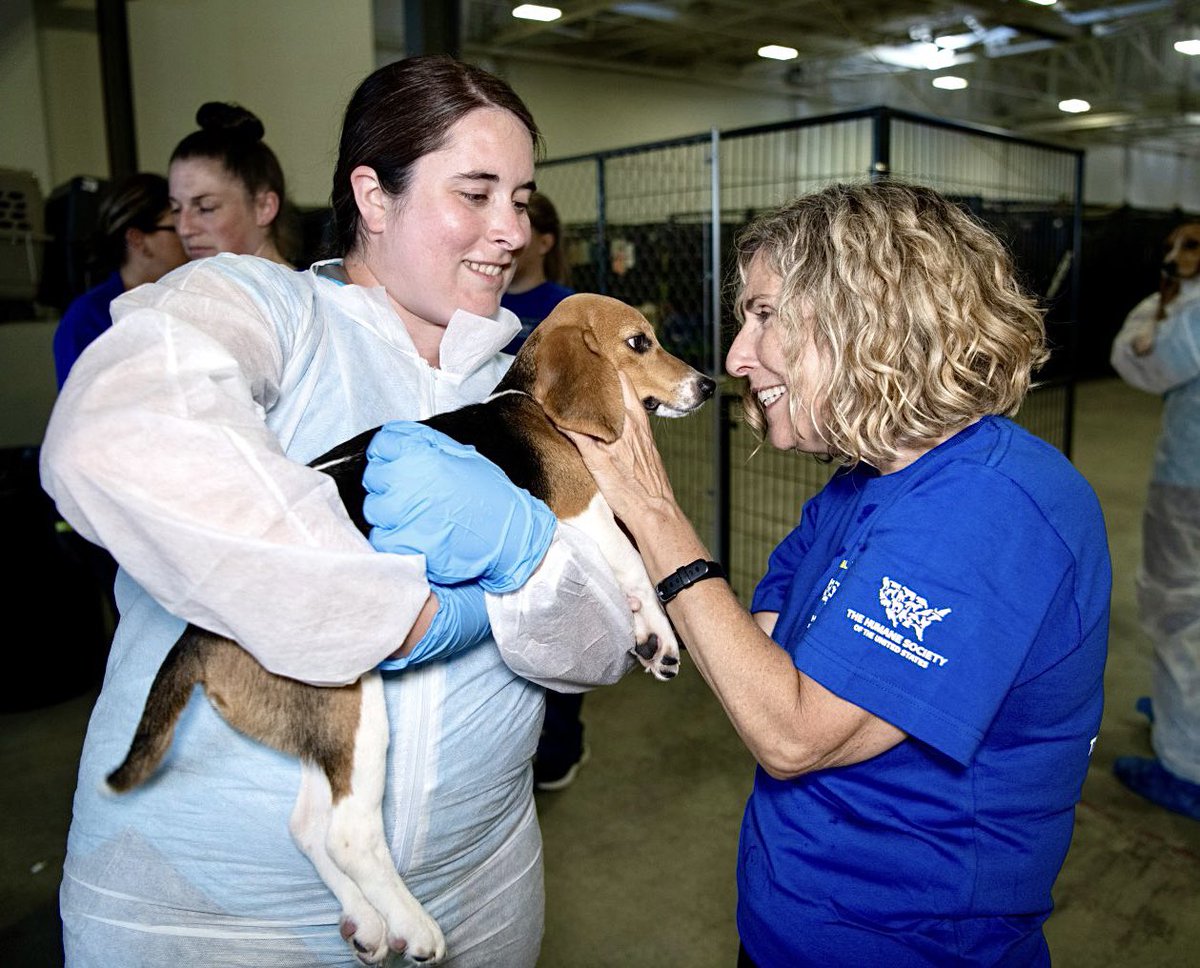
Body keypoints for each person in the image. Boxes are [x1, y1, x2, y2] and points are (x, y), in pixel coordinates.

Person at [40, 55, 638, 967]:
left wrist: (527, 558)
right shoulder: (261, 305)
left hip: (480, 889)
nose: (510, 229)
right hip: (222, 918)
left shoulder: (533, 379)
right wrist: (404, 612)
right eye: (474, 193)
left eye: (520, 198)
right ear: (374, 195)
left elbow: (605, 650)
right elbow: (114, 437)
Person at [568, 181, 1111, 966]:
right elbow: (756, 665)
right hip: (788, 920)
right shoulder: (862, 484)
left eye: (763, 314)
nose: (734, 358)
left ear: (868, 313)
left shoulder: (992, 508)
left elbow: (789, 732)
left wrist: (654, 515)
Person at [495, 191, 587, 789]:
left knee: (564, 608)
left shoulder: (566, 311)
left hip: (559, 478)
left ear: (546, 240)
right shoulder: (484, 302)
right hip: (501, 472)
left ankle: (562, 741)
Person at [1109, 258, 1200, 820]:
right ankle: (1181, 715)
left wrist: (1166, 300)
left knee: (1180, 609)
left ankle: (1187, 763)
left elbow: (1141, 362)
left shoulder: (1190, 310)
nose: (1175, 258)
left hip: (1192, 481)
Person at [52, 172, 187, 388]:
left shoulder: (185, 300)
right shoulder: (87, 318)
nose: (188, 233)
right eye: (175, 228)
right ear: (137, 238)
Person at [168, 101, 294, 265]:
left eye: (206, 208)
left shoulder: (312, 290)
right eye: (176, 209)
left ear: (264, 207)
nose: (184, 229)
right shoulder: (181, 287)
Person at [500, 191, 574, 355]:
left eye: (519, 230)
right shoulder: (485, 301)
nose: (506, 242)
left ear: (545, 243)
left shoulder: (565, 307)